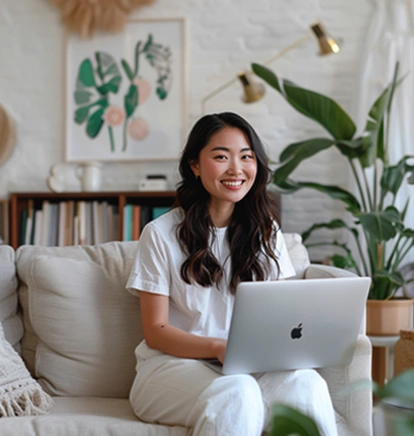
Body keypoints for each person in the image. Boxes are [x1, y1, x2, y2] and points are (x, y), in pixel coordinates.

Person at [126, 112, 338, 436]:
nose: (236, 169)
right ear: (195, 165)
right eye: (221, 157)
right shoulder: (160, 234)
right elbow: (156, 331)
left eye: (246, 157)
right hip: (171, 369)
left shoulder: (266, 234)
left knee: (307, 383)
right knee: (238, 392)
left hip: (246, 367)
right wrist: (217, 347)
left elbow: (279, 317)